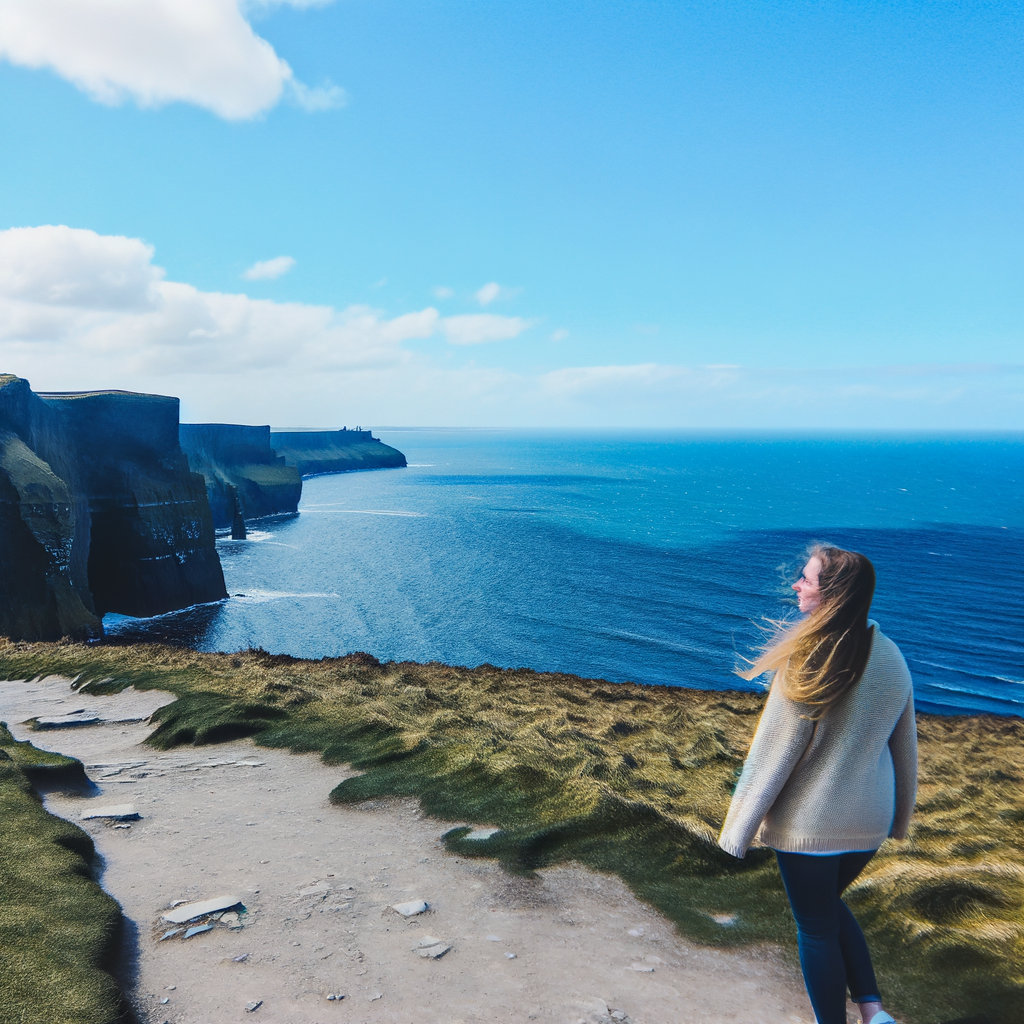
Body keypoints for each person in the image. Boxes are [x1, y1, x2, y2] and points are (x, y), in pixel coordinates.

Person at [718, 545, 917, 1024]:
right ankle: (874, 1013)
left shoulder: (808, 657)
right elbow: (905, 747)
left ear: (833, 593)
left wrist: (737, 832)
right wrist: (900, 819)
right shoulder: (891, 657)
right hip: (867, 823)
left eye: (806, 579)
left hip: (814, 823)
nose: (797, 586)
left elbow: (774, 753)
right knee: (827, 908)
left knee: (816, 928)